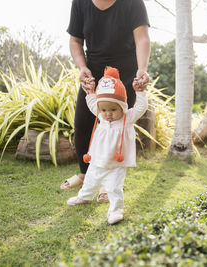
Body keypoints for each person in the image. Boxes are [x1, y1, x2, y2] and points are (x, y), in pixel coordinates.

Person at [60, 0, 151, 203]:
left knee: (117, 129)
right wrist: (82, 68)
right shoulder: (80, 3)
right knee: (83, 124)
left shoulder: (133, 2)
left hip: (125, 75)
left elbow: (142, 38)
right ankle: (85, 174)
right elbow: (75, 40)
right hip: (93, 74)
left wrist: (142, 70)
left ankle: (108, 184)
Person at [67, 66, 148, 225]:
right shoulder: (102, 117)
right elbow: (92, 104)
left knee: (114, 188)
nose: (108, 113)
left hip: (117, 164)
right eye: (103, 109)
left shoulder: (127, 118)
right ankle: (84, 196)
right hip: (98, 159)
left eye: (113, 109)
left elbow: (141, 107)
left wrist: (140, 92)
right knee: (90, 179)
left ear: (122, 107)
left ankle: (115, 211)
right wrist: (90, 92)